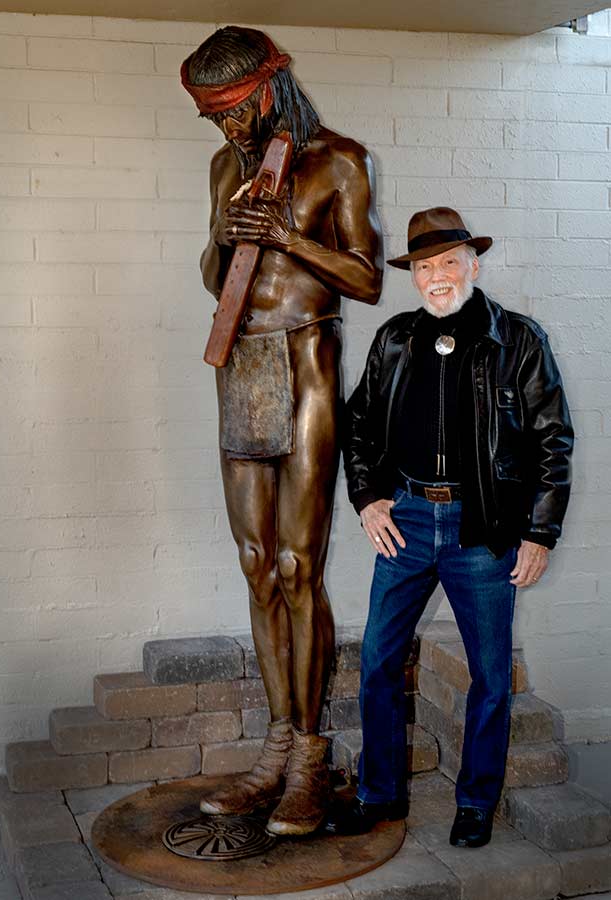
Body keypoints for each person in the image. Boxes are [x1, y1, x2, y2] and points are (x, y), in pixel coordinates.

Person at [180, 26, 383, 836]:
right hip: (242, 365)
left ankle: (310, 756)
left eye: (236, 112)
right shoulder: (226, 167)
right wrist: (224, 239)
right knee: (257, 563)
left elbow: (366, 278)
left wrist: (287, 237)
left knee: (301, 563)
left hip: (306, 365)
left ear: (271, 87)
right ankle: (272, 750)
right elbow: (210, 275)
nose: (229, 132)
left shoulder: (338, 160)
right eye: (214, 119)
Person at [326, 206, 573, 847]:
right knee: (378, 662)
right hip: (406, 518)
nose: (439, 277)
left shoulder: (518, 339)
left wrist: (539, 534)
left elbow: (553, 441)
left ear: (474, 264)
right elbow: (356, 425)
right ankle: (379, 794)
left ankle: (474, 804)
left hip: (483, 527)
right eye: (426, 266)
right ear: (415, 275)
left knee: (490, 676)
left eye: (449, 262)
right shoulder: (395, 339)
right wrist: (368, 500)